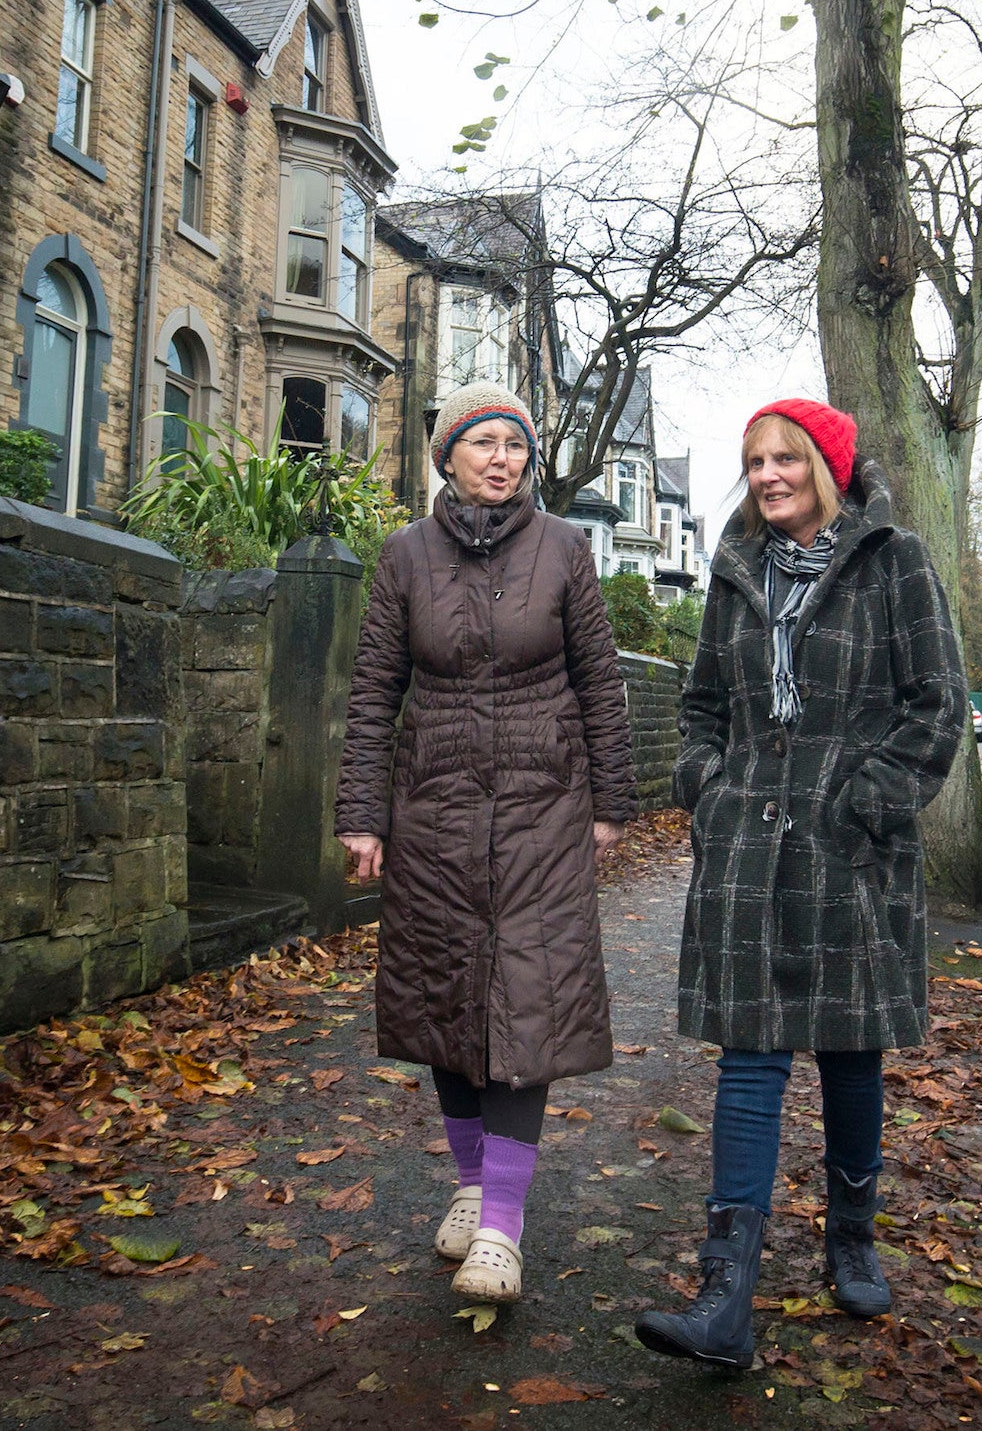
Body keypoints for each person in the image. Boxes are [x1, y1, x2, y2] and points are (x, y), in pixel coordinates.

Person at [636, 398, 968, 1369]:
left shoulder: (893, 559)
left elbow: (939, 703)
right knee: (751, 1056)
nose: (768, 473)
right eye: (754, 460)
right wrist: (708, 789)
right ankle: (725, 1293)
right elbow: (700, 705)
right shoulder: (734, 571)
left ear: (826, 464)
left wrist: (866, 802)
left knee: (851, 1050)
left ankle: (852, 1231)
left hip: (848, 848)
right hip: (746, 849)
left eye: (786, 456)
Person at [335, 382, 635, 1304]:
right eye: (483, 443)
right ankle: (471, 1184)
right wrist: (362, 812)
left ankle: (501, 1227)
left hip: (543, 812)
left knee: (526, 1007)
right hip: (434, 814)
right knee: (445, 998)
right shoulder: (403, 556)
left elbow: (601, 681)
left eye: (515, 443)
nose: (501, 458)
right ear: (448, 456)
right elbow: (374, 690)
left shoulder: (566, 550)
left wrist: (611, 803)